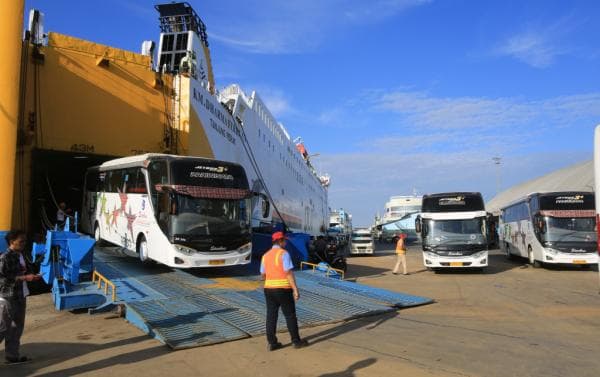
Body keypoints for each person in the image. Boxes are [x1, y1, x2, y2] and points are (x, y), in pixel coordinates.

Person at [260, 231, 308, 351]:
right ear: (280, 241)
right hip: (283, 289)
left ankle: (272, 343)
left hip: (268, 289)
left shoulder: (265, 255)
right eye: (284, 240)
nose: (286, 242)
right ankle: (296, 341)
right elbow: (288, 273)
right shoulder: (284, 253)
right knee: (290, 315)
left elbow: (263, 274)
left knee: (271, 315)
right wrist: (295, 289)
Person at [0, 230, 41, 364]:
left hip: (21, 295)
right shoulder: (5, 257)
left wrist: (32, 276)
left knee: (17, 327)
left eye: (25, 240)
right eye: (21, 241)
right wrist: (25, 277)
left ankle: (12, 356)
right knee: (3, 327)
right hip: (8, 297)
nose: (24, 243)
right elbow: (2, 280)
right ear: (12, 242)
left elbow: (22, 272)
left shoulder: (21, 254)